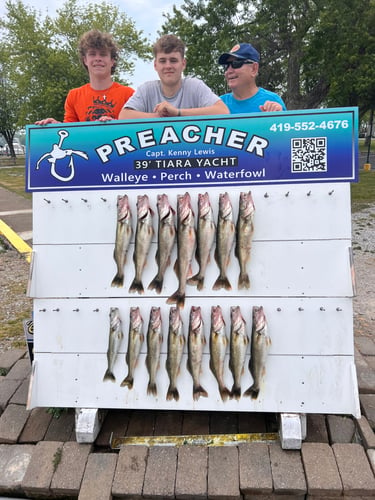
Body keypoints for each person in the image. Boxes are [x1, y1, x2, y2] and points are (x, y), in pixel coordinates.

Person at [35, 29, 134, 125]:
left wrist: (115, 125)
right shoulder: (74, 96)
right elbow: (69, 132)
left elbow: (138, 130)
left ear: (112, 61)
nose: (98, 58)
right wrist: (55, 126)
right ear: (85, 60)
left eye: (103, 54)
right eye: (92, 54)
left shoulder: (129, 94)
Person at [118, 34, 229, 120]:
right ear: (155, 65)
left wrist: (177, 112)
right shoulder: (146, 89)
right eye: (162, 61)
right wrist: (162, 116)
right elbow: (124, 116)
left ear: (183, 64)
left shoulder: (195, 86)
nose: (168, 66)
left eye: (173, 60)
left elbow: (223, 111)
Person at [218, 43, 286, 114]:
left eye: (236, 63)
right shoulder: (218, 105)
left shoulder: (273, 101)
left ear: (254, 69)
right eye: (226, 66)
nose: (229, 71)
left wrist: (279, 117)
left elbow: (287, 124)